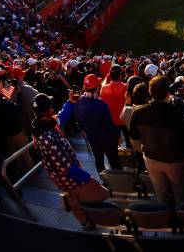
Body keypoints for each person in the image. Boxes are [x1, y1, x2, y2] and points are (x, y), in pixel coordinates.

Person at [31, 93, 109, 226]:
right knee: (103, 194)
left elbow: (60, 117)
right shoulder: (46, 138)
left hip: (66, 175)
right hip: (69, 177)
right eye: (50, 107)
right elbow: (65, 167)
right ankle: (72, 201)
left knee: (77, 196)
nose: (53, 109)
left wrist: (70, 102)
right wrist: (86, 178)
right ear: (46, 112)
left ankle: (84, 221)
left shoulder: (43, 124)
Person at [129, 76, 184, 206]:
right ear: (168, 93)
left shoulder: (138, 112)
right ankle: (180, 217)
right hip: (174, 161)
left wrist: (146, 151)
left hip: (151, 159)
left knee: (161, 192)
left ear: (150, 92)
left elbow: (134, 140)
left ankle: (165, 217)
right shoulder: (177, 115)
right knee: (180, 192)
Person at [58, 74, 122, 174]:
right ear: (97, 87)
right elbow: (109, 124)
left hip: (92, 139)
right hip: (108, 140)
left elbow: (78, 120)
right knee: (115, 163)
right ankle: (119, 183)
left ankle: (104, 181)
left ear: (84, 87)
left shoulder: (78, 103)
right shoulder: (102, 104)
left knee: (99, 161)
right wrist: (118, 136)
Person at [100, 65, 128, 142]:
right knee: (128, 143)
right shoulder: (125, 87)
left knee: (112, 145)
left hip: (110, 121)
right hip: (123, 120)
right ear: (120, 75)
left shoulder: (104, 88)